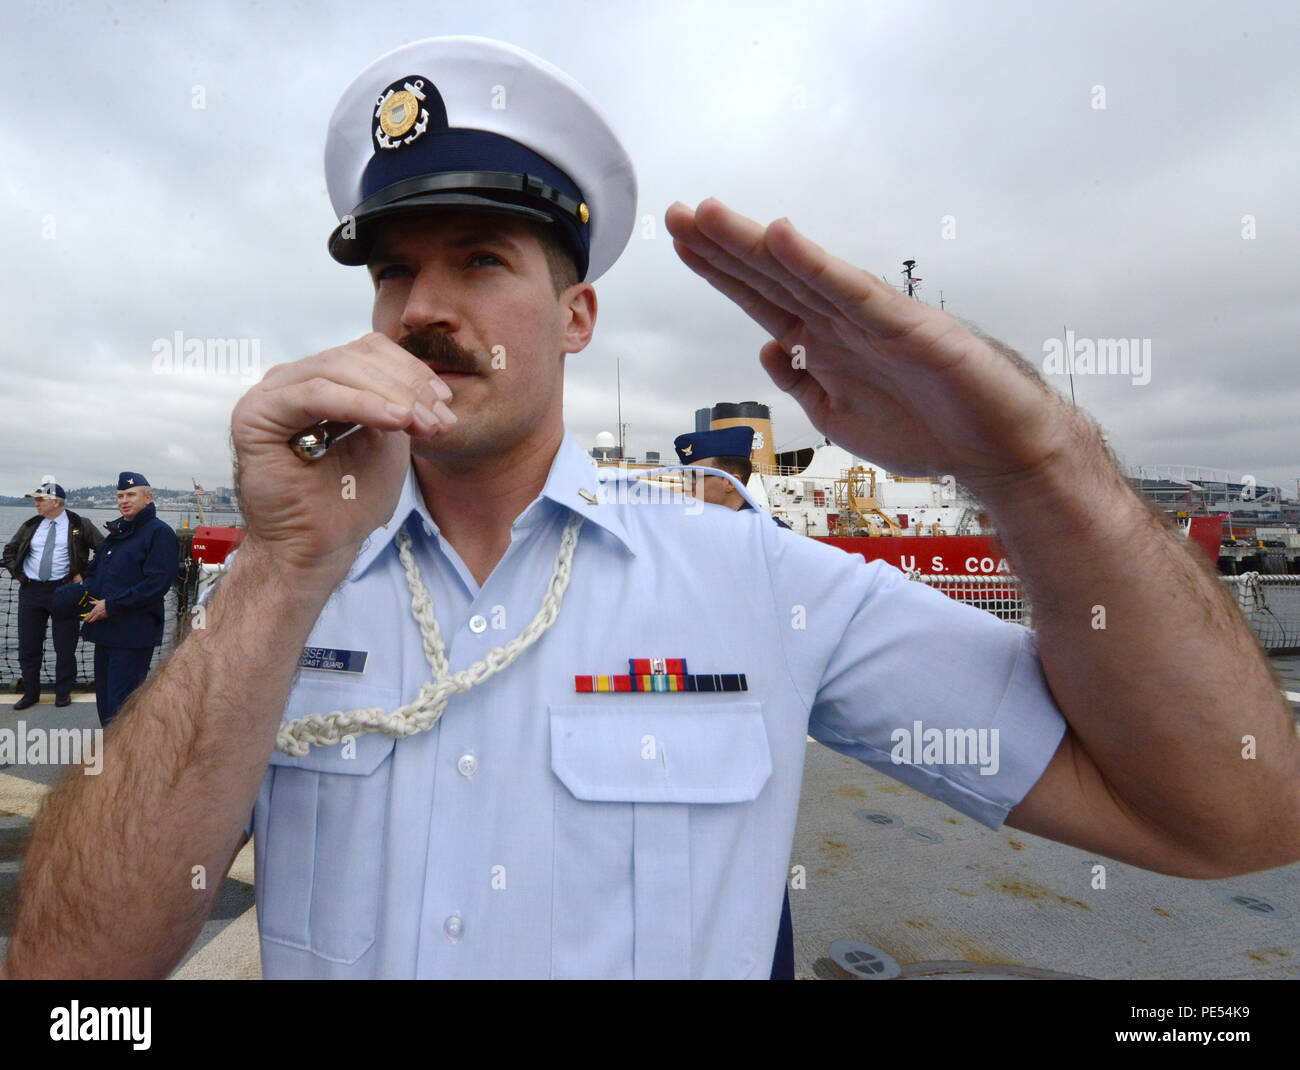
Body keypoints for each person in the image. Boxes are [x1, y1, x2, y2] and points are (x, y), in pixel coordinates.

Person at [6, 36, 1300, 981]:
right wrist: (282, 572)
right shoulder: (294, 586)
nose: (421, 308)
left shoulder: (750, 575)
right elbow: (66, 968)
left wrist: (1030, 460)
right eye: (395, 271)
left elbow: (1229, 812)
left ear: (577, 318)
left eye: (480, 260)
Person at [674, 425, 796, 978]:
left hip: (744, 748)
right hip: (683, 746)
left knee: (749, 886)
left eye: (693, 479)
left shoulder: (774, 548)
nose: (683, 489)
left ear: (727, 482)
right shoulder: (686, 542)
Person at [77, 472, 180, 727]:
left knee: (122, 707)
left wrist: (111, 605)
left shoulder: (159, 533)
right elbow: (95, 572)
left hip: (133, 635)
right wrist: (81, 594)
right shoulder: (116, 536)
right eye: (120, 496)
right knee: (105, 704)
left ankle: (126, 762)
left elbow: (156, 583)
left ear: (148, 498)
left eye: (131, 495)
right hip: (105, 632)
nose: (124, 500)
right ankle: (115, 757)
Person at [1, 479, 103, 709]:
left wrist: (84, 578)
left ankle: (63, 692)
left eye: (40, 499)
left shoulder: (80, 524)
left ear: (55, 502)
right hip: (31, 591)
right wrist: (22, 577)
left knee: (65, 646)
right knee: (29, 645)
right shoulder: (31, 525)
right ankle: (31, 693)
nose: (36, 504)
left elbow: (104, 550)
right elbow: (9, 552)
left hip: (65, 591)